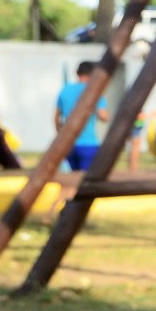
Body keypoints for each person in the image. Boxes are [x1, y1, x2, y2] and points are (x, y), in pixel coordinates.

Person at [50, 61, 108, 213]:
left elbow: (56, 118)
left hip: (68, 144)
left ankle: (52, 211)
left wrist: (60, 135)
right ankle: (68, 212)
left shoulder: (65, 90)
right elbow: (103, 116)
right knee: (82, 183)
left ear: (77, 72)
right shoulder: (95, 91)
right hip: (88, 144)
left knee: (69, 181)